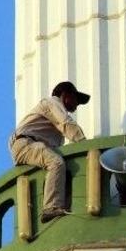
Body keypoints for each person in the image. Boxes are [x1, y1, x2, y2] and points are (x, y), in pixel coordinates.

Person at [9, 81, 89, 222]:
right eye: (75, 99)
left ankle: (61, 208)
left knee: (61, 168)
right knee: (56, 163)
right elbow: (66, 123)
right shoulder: (52, 102)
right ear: (65, 95)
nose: (77, 105)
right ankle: (51, 208)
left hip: (29, 144)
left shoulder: (55, 132)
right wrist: (86, 146)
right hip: (26, 143)